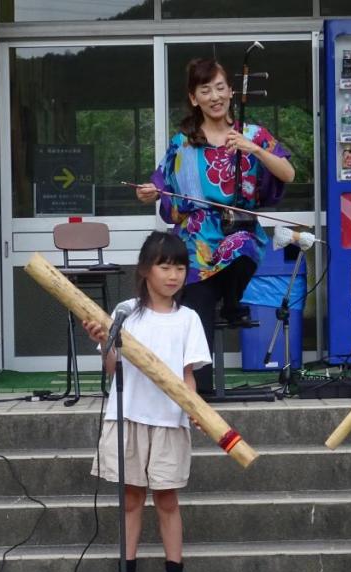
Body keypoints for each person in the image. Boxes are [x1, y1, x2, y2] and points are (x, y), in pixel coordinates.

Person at [134, 57, 295, 394]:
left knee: (244, 244)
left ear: (231, 91)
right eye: (205, 90)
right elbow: (164, 186)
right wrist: (151, 193)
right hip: (196, 243)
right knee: (197, 314)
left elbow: (288, 173)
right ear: (194, 98)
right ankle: (201, 396)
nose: (214, 96)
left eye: (220, 87)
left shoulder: (253, 134)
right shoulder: (184, 142)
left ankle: (233, 299)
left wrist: (255, 150)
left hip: (238, 232)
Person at [81, 231, 212, 572]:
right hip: (128, 415)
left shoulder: (188, 319)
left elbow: (188, 375)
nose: (173, 275)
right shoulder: (125, 312)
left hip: (170, 420)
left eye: (180, 267)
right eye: (164, 266)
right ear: (144, 270)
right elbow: (112, 370)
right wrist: (106, 342)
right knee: (132, 498)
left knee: (168, 499)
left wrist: (194, 409)